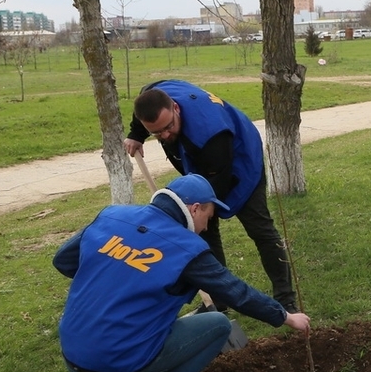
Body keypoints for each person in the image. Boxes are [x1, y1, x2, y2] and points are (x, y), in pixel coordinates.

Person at [54, 174, 311, 372]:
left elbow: (63, 261)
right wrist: (285, 316)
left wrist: (117, 274)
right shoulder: (185, 249)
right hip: (112, 366)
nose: (204, 228)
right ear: (194, 209)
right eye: (208, 218)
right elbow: (236, 292)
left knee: (149, 320)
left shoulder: (112, 216)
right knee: (217, 325)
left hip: (73, 355)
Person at [123, 80, 297, 313]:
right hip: (199, 160)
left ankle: (286, 299)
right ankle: (218, 300)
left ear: (176, 108)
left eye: (168, 127)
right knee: (204, 233)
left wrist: (201, 210)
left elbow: (219, 182)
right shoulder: (152, 97)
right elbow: (144, 111)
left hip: (240, 163)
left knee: (260, 228)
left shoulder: (211, 133)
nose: (164, 135)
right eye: (156, 132)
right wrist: (136, 134)